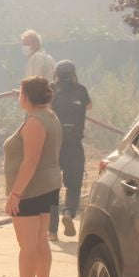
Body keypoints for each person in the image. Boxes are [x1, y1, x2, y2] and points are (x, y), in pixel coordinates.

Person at [0, 76, 63, 277]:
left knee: (27, 244)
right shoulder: (51, 116)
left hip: (31, 189)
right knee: (39, 241)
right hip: (47, 186)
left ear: (26, 96)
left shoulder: (35, 122)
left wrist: (15, 193)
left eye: (21, 92)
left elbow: (30, 161)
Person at [49, 60, 92, 239]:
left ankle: (51, 231)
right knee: (74, 185)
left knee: (51, 188)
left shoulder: (50, 90)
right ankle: (68, 213)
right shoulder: (81, 90)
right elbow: (88, 106)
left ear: (56, 75)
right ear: (74, 74)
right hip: (74, 145)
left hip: (54, 146)